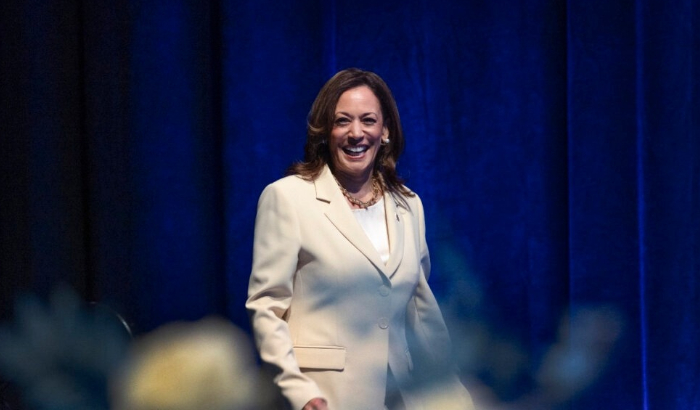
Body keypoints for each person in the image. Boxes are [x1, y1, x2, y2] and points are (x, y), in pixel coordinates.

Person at [246, 68, 473, 410]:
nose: (356, 133)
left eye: (368, 120)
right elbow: (266, 307)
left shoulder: (409, 205)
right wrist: (299, 391)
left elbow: (421, 309)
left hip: (402, 397)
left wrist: (452, 389)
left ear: (385, 132)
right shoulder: (287, 198)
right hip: (323, 397)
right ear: (325, 131)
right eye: (342, 121)